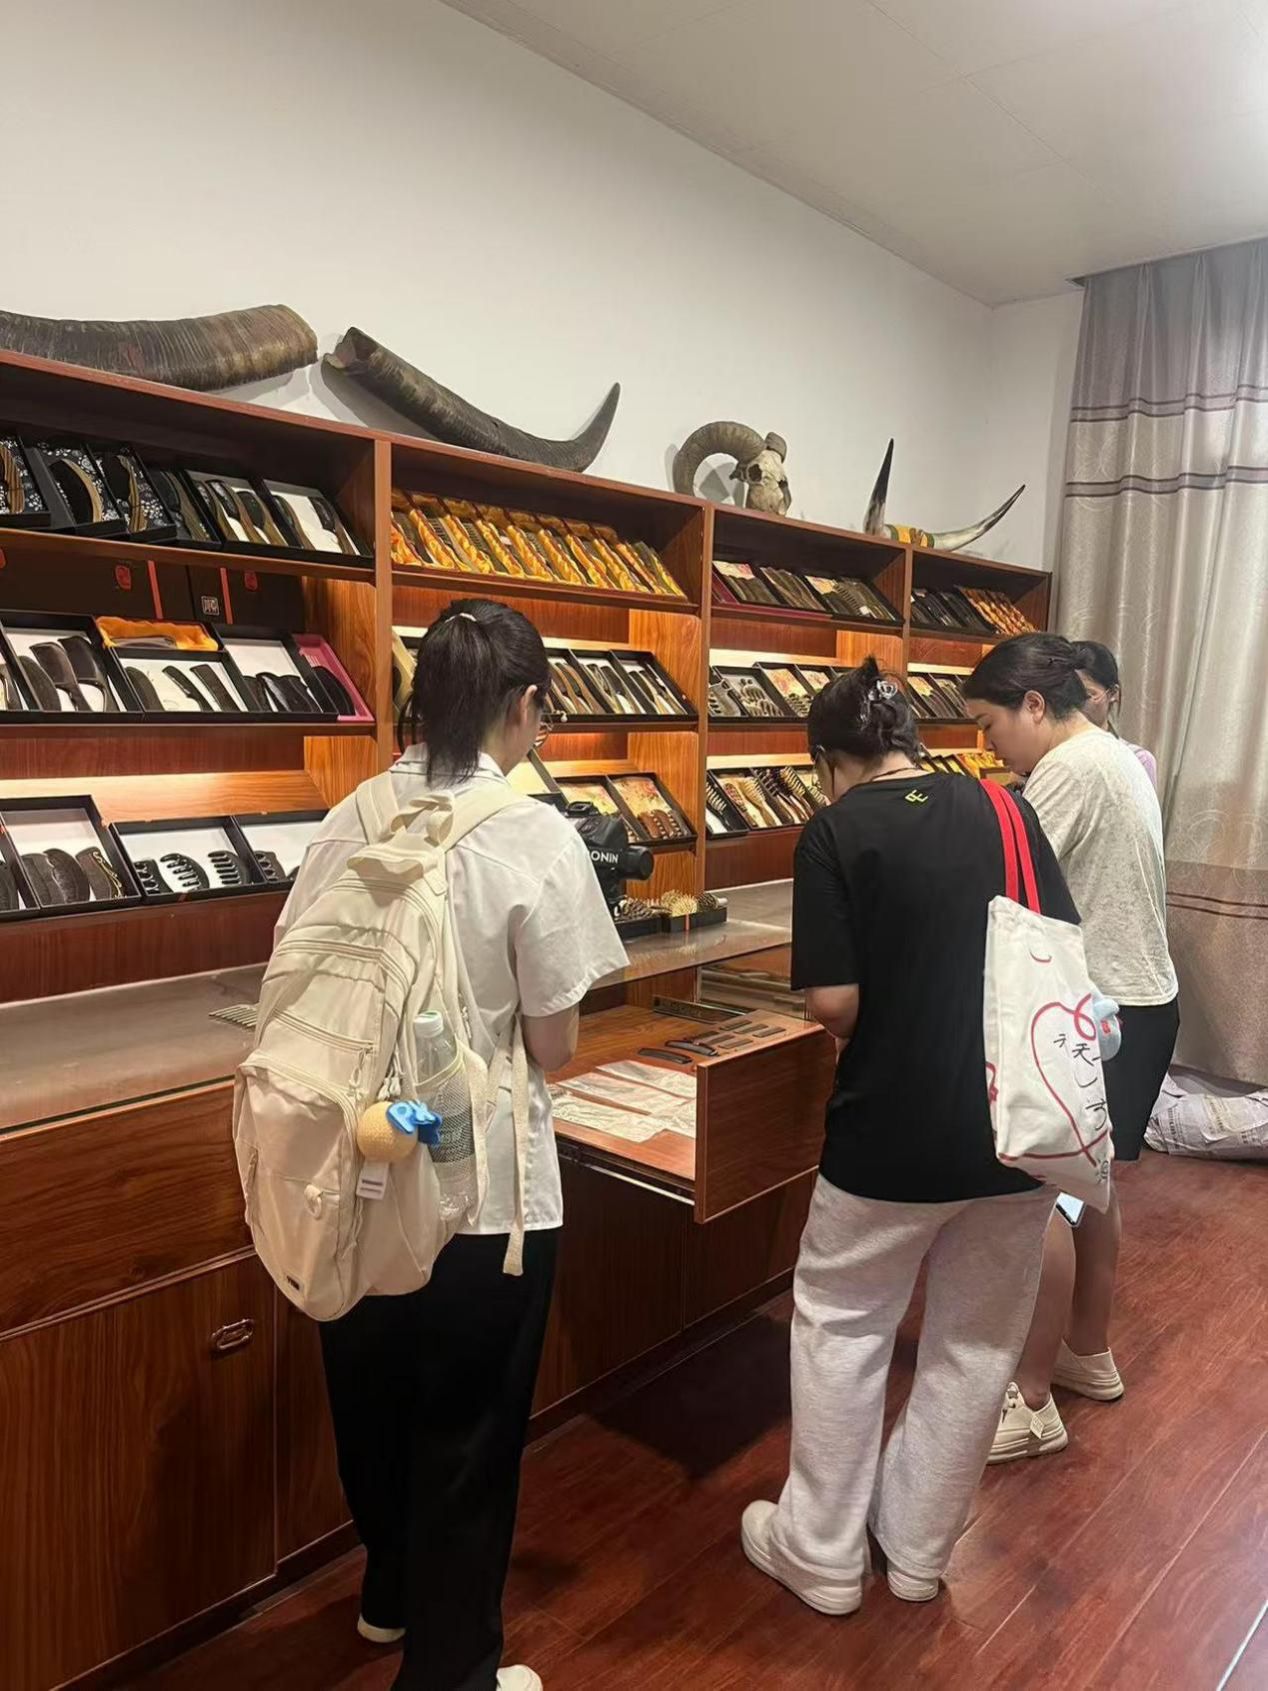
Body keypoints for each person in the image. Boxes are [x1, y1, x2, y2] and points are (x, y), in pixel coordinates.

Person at [277, 599, 627, 1691]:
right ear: (524, 705)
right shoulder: (536, 834)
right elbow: (553, 1043)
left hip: (357, 1163)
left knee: (371, 1392)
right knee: (467, 1427)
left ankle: (388, 1592)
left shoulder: (350, 813)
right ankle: (453, 1671)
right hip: (484, 1192)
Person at [741, 657, 1078, 1614]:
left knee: (843, 1322)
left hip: (887, 1133)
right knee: (976, 1338)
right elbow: (1057, 941)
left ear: (827, 761)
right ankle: (919, 1550)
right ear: (913, 740)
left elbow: (834, 1004)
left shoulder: (834, 831)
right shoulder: (1006, 809)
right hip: (1018, 1128)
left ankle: (820, 1551)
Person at [964, 635, 1178, 1463]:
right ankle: (1087, 1351)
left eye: (990, 725)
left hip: (1093, 1008)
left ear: (1032, 705)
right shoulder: (1113, 754)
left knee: (1037, 1199)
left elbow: (1000, 887)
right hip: (1140, 1003)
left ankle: (1029, 1401)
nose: (989, 745)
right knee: (1090, 1186)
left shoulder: (1067, 771)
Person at [1072, 638, 1158, 787]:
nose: (1074, 704)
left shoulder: (1137, 759)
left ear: (1112, 694)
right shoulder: (1050, 753)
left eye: (1086, 695)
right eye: (1066, 694)